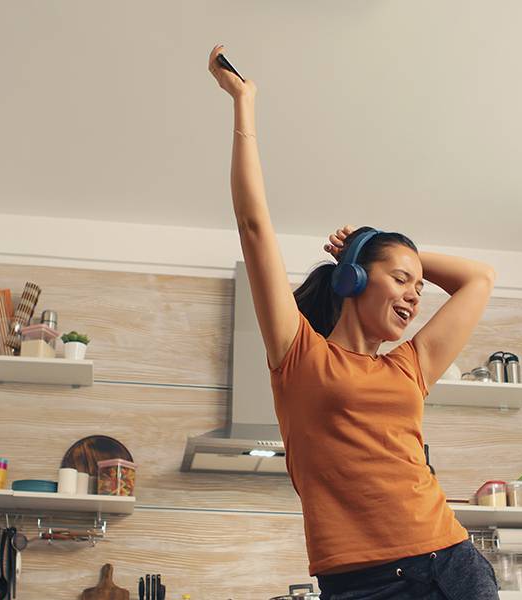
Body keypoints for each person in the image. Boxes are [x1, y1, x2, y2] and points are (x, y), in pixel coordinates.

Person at [208, 44, 499, 600]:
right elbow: (252, 224)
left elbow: (479, 278)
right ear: (353, 281)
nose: (415, 296)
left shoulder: (411, 364)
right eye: (400, 280)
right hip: (358, 584)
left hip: (451, 565)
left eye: (418, 285)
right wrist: (244, 104)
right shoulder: (298, 355)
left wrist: (395, 247)